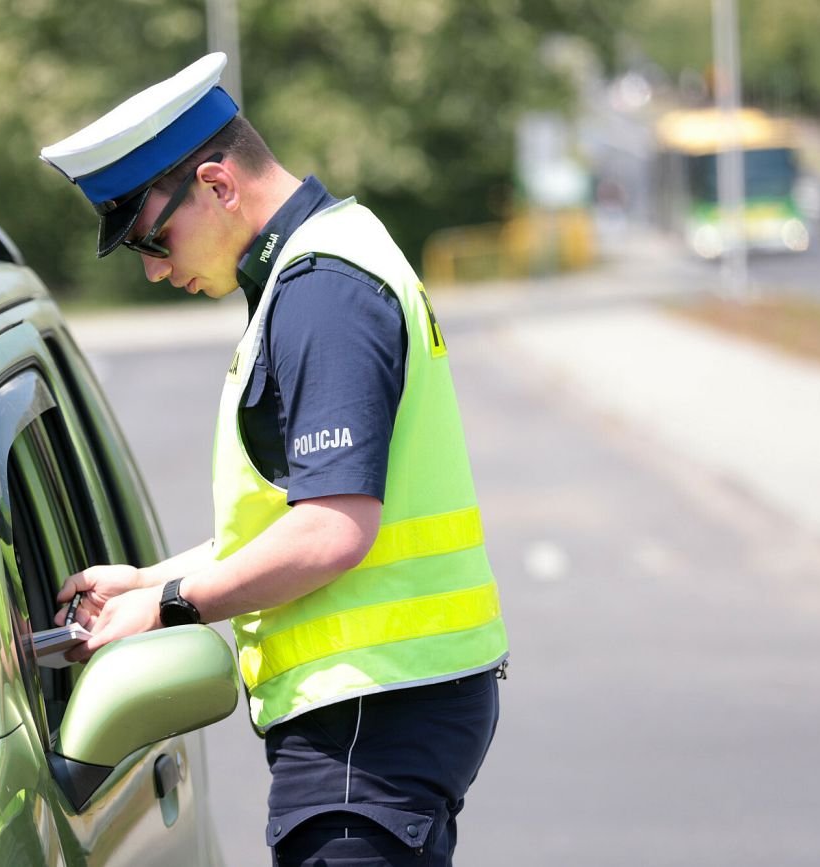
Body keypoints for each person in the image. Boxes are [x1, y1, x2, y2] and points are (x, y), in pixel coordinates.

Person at [40, 52, 508, 867]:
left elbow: (330, 534)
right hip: (387, 708)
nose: (153, 266)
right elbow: (296, 517)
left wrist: (172, 606)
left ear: (218, 184)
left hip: (370, 714)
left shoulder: (323, 290)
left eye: (153, 236)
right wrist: (146, 580)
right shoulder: (318, 266)